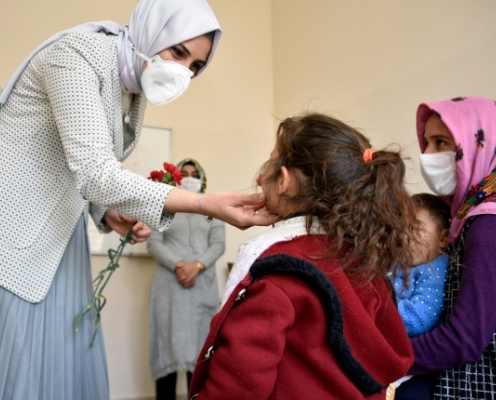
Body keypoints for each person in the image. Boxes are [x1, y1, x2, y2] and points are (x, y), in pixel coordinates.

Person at [0, 1, 276, 399]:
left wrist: (109, 212)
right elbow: (94, 172)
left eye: (194, 66)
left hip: (52, 239)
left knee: (51, 368)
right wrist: (204, 203)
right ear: (151, 30)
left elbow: (76, 170)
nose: (182, 71)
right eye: (178, 52)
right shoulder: (77, 55)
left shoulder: (131, 90)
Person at [189, 112, 416, 399]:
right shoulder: (365, 259)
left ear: (284, 180)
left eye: (270, 162)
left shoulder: (279, 271)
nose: (259, 179)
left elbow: (237, 386)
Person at [404, 96, 496, 399]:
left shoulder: (494, 225)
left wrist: (376, 358)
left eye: (441, 142)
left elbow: (462, 340)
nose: (427, 155)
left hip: (486, 387)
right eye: (425, 143)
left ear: (484, 144)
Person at [146, 158, 225, 400]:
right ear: (176, 178)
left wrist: (197, 266)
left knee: (200, 355)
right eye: (184, 173)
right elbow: (153, 242)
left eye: (195, 174)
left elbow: (219, 245)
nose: (190, 178)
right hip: (170, 289)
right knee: (167, 349)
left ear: (202, 180)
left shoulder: (213, 209)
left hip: (202, 287)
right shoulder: (164, 207)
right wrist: (179, 265)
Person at [392, 193, 450, 338]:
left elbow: (416, 319)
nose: (404, 237)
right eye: (401, 229)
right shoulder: (400, 263)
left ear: (443, 238)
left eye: (415, 230)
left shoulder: (436, 271)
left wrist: (373, 307)